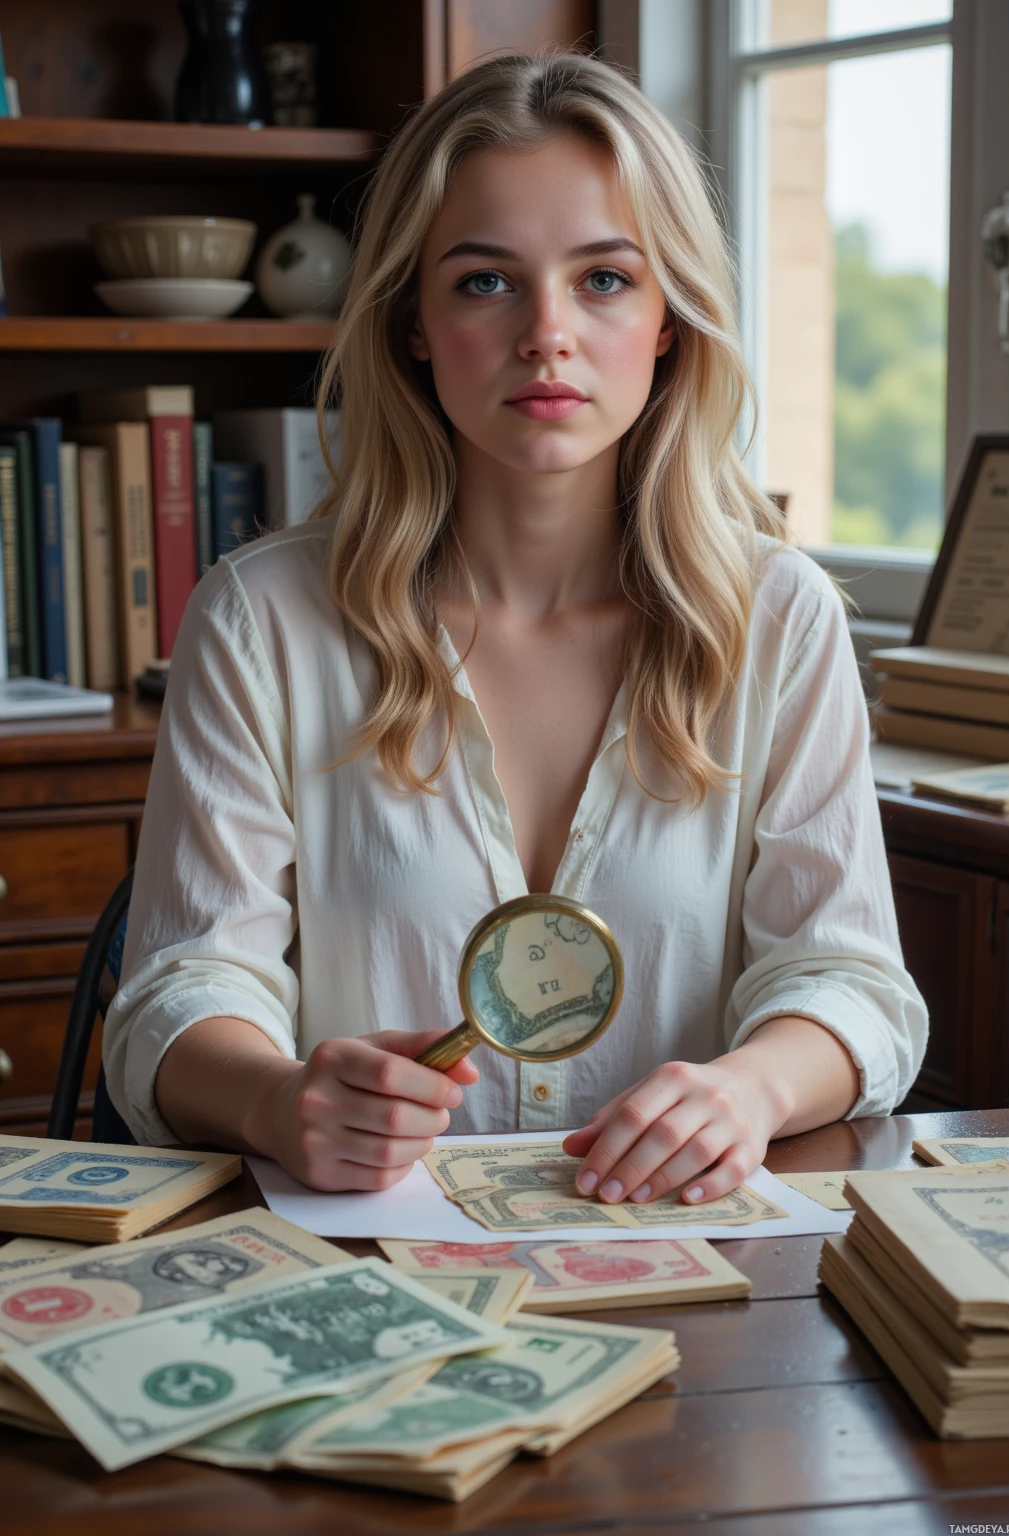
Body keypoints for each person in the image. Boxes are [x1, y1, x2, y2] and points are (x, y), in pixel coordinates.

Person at [103, 50, 927, 1210]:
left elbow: (851, 983)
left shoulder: (776, 617)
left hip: (695, 1265)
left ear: (670, 320)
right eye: (485, 281)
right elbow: (179, 991)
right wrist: (276, 1100)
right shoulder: (260, 620)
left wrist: (748, 1092)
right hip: (376, 1265)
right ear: (414, 322)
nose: (547, 333)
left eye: (604, 279)